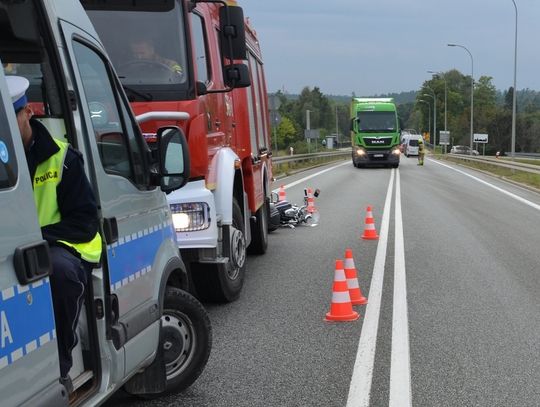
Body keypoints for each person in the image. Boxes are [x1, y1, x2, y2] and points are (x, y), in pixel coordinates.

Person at [6, 75, 102, 392]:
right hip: (15, 248)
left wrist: (40, 237)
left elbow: (86, 220)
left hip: (64, 245)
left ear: (28, 113)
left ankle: (59, 364)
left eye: (12, 117)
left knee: (59, 274)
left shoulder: (62, 158)